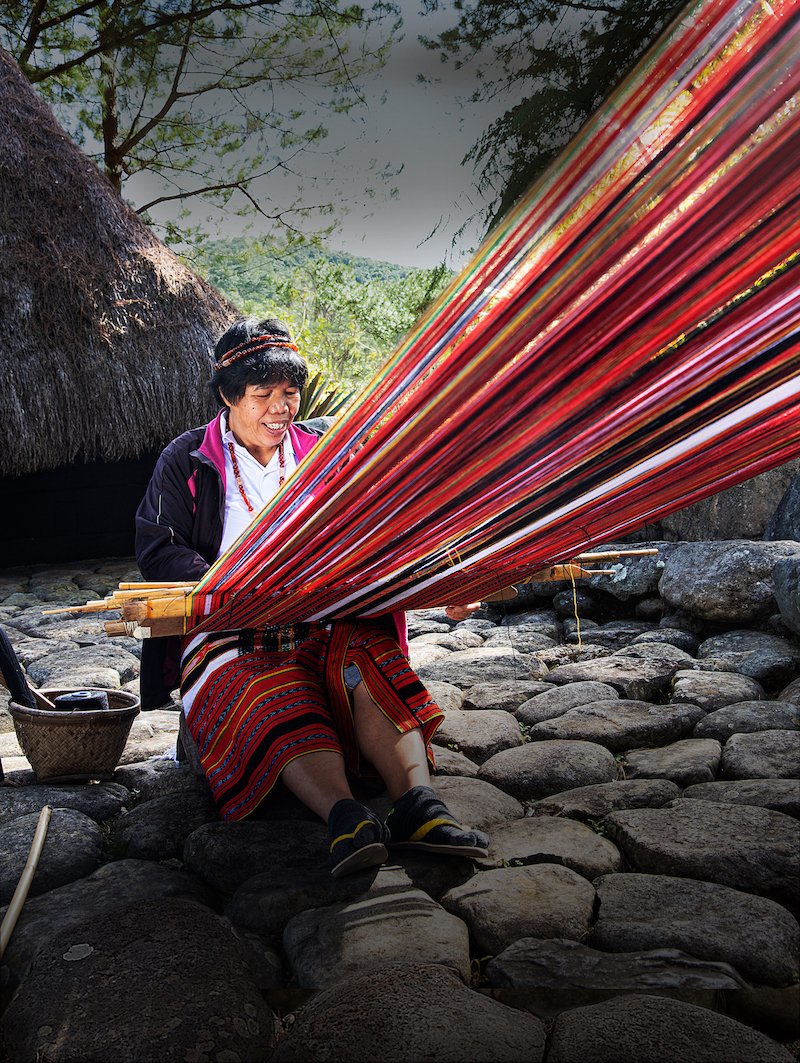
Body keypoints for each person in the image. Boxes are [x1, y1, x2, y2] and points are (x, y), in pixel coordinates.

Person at [135, 316, 489, 877]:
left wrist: (445, 575)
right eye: (263, 394)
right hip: (231, 620)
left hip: (325, 614)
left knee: (371, 663)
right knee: (255, 680)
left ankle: (419, 806)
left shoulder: (324, 452)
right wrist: (231, 582)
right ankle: (344, 815)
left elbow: (385, 526)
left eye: (290, 393)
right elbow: (158, 548)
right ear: (229, 397)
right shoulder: (188, 459)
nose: (281, 407)